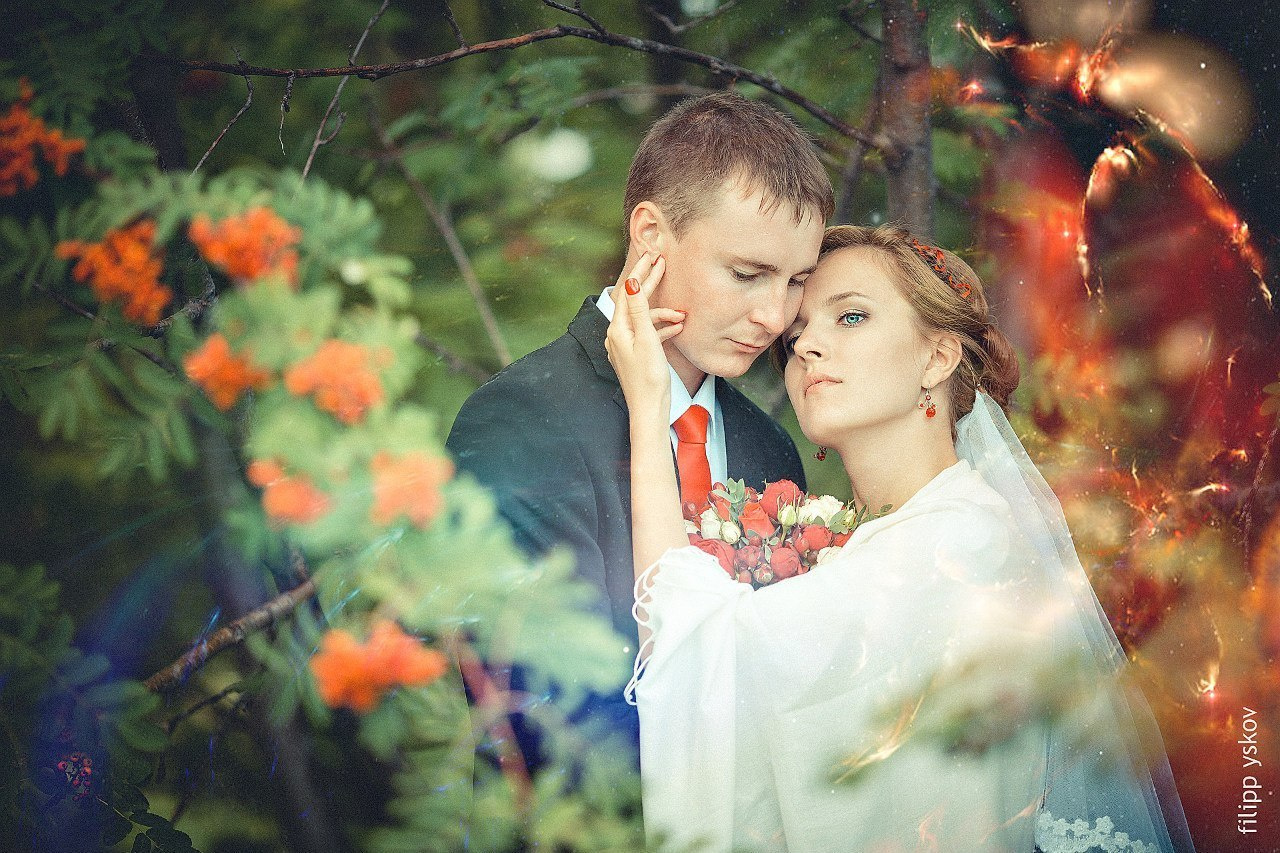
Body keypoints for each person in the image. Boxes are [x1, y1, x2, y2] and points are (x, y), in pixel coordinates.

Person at [606, 224, 1195, 851]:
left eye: (851, 317)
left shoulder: (959, 546)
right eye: (798, 333)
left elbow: (696, 656)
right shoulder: (907, 538)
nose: (805, 348)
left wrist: (649, 403)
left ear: (938, 358)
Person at [445, 92, 833, 761]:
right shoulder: (519, 420)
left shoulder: (769, 447)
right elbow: (525, 710)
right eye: (747, 273)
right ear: (650, 233)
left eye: (797, 281)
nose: (775, 316)